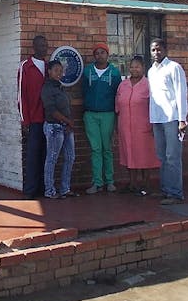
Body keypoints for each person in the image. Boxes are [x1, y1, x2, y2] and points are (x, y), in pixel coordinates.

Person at [147, 38, 188, 205]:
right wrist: (151, 119)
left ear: (165, 50)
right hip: (157, 118)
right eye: (153, 50)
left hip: (172, 118)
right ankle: (165, 190)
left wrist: (182, 119)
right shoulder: (151, 71)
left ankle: (175, 194)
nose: (156, 53)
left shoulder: (174, 68)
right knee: (161, 156)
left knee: (173, 156)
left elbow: (181, 93)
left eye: (158, 49)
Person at [115, 55, 161, 196]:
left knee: (144, 155)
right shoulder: (123, 85)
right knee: (128, 153)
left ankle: (146, 183)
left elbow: (155, 105)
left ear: (143, 68)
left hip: (143, 126)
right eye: (132, 66)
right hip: (125, 125)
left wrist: (153, 123)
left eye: (138, 66)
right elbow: (117, 103)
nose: (134, 69)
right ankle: (132, 183)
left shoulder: (148, 85)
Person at [82, 42, 122, 194]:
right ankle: (97, 182)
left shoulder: (114, 73)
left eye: (102, 52)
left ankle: (110, 181)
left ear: (107, 54)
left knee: (107, 149)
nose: (100, 55)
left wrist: (117, 114)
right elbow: (84, 91)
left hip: (108, 114)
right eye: (97, 53)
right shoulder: (87, 71)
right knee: (95, 149)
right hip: (91, 114)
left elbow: (118, 94)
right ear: (94, 55)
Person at [40, 60, 76, 199]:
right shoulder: (47, 88)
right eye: (56, 70)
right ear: (49, 71)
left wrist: (67, 123)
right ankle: (49, 190)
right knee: (52, 159)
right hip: (54, 127)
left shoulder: (60, 87)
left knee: (70, 157)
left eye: (61, 71)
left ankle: (65, 189)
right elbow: (52, 111)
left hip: (65, 127)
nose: (59, 73)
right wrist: (68, 121)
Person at [17, 35, 48, 198]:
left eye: (46, 45)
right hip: (33, 120)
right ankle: (30, 191)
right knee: (32, 156)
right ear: (34, 47)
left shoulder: (50, 66)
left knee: (46, 155)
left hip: (48, 120)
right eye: (41, 45)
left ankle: (43, 189)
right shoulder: (25, 67)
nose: (44, 48)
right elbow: (20, 95)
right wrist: (25, 120)